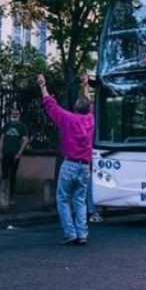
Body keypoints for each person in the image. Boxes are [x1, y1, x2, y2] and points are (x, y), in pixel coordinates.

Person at [38, 72, 95, 245]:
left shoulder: (68, 119)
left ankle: (70, 232)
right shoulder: (91, 120)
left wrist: (42, 86)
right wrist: (86, 85)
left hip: (70, 164)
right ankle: (82, 233)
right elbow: (89, 103)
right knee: (80, 199)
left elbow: (50, 105)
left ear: (76, 108)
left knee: (63, 198)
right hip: (85, 166)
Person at [0, 108, 30, 204]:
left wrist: (19, 153)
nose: (14, 115)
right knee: (4, 175)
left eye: (16, 114)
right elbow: (2, 138)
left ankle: (11, 196)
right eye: (13, 114)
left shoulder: (22, 126)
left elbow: (25, 140)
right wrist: (0, 151)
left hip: (15, 155)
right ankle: (3, 196)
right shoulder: (7, 125)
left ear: (19, 115)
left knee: (12, 175)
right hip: (6, 153)